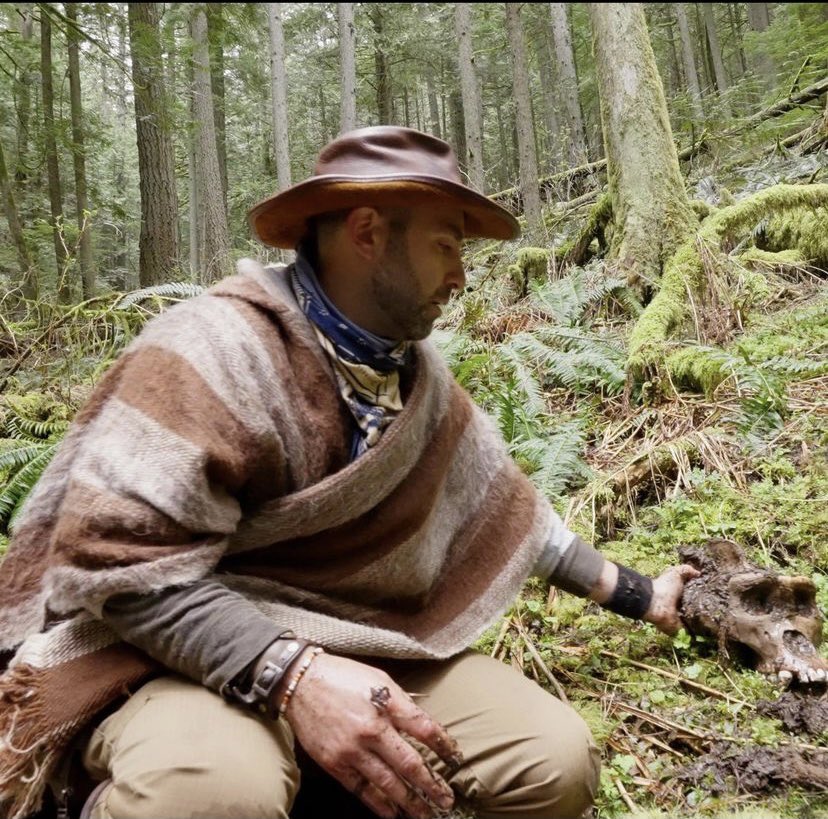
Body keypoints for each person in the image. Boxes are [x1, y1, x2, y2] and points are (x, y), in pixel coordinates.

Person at [0, 126, 697, 819]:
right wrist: (294, 675)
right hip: (175, 655)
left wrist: (643, 595)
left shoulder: (418, 380)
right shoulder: (212, 347)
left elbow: (514, 515)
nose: (460, 276)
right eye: (446, 246)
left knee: (552, 759)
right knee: (212, 793)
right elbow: (121, 568)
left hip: (363, 636)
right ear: (367, 232)